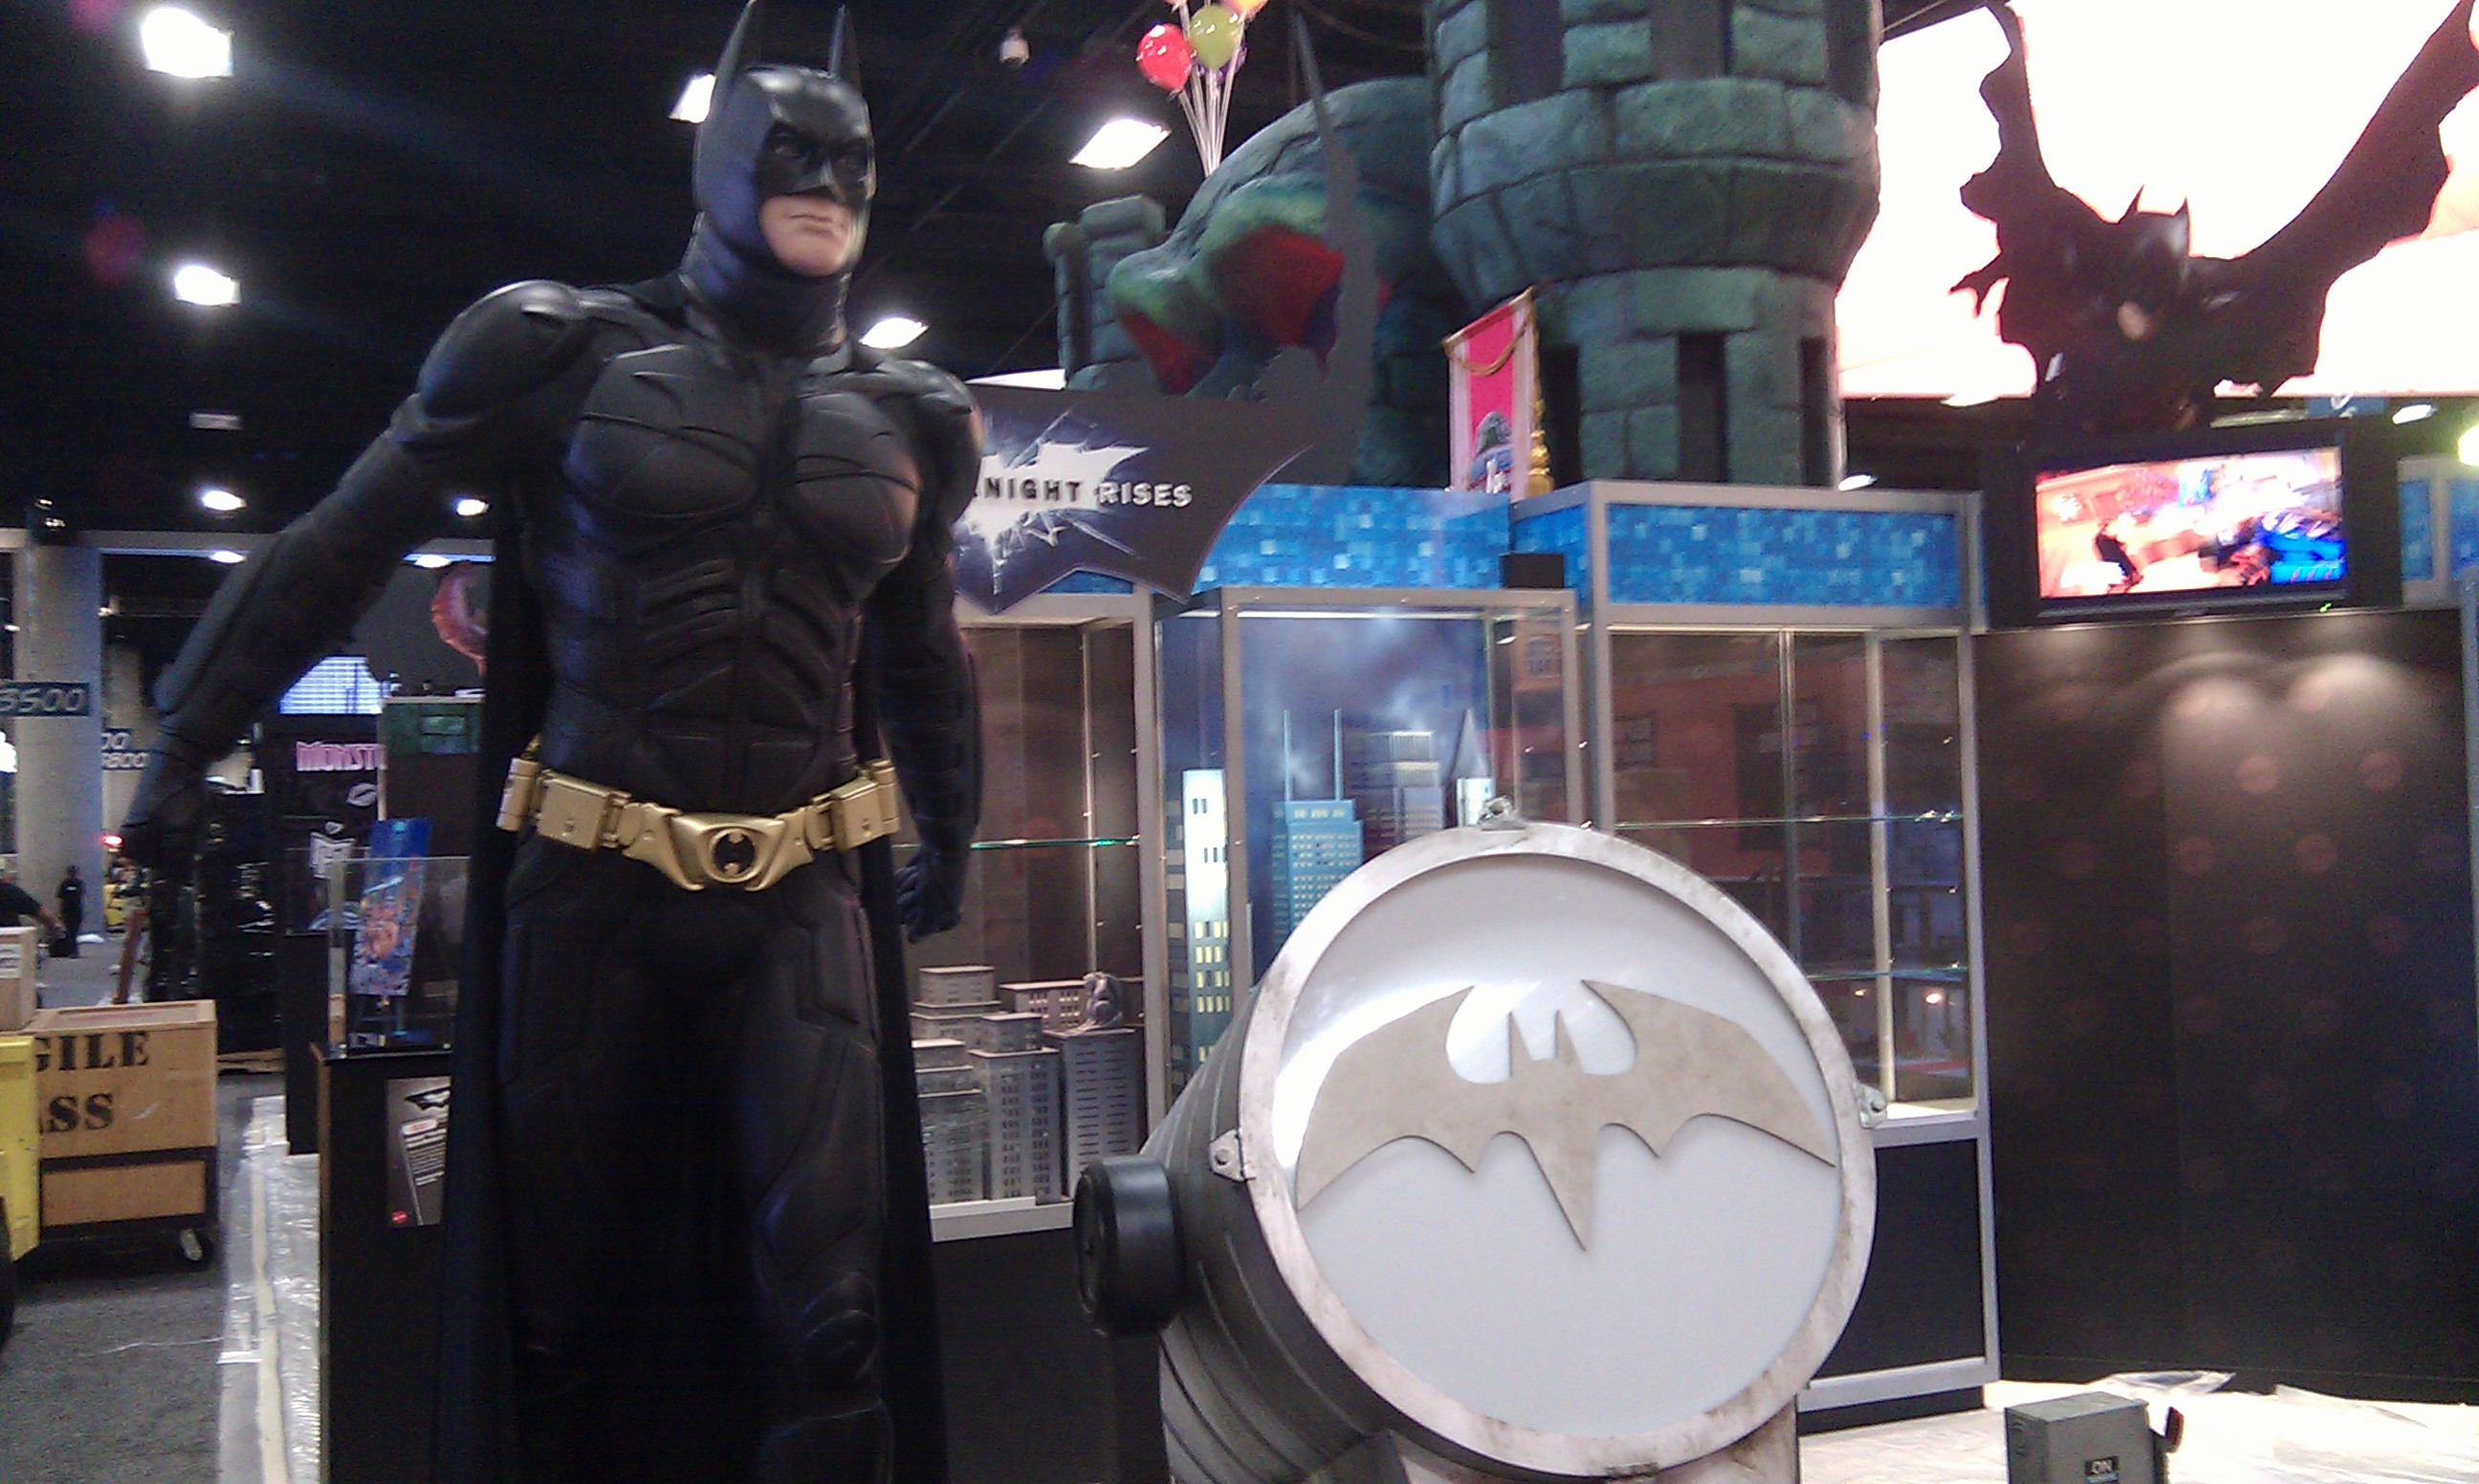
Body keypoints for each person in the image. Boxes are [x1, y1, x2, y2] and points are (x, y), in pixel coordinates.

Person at [118, 6, 980, 1480]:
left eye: (852, 162)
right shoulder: (557, 351)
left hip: (801, 904)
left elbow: (918, 652)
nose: (825, 184)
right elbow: (341, 543)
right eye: (789, 151)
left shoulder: (913, 417)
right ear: (715, 162)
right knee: (560, 1328)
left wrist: (950, 827)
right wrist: (185, 741)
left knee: (836, 1323)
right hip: (593, 897)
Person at [0, 872, 62, 943]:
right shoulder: (9, 891)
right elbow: (42, 914)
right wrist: (53, 926)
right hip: (9, 941)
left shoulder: (9, 891)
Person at [55, 864, 83, 958]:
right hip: (75, 910)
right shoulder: (79, 883)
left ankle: (71, 950)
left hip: (67, 910)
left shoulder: (64, 884)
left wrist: (59, 912)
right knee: (73, 931)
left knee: (70, 931)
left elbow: (60, 899)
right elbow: (81, 896)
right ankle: (73, 951)